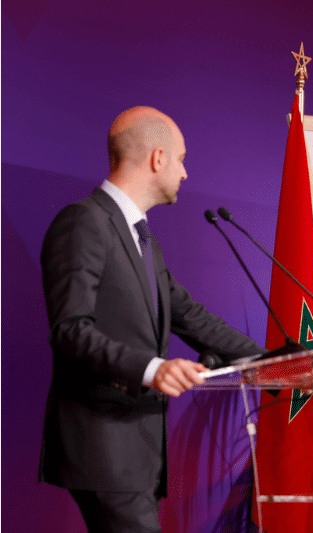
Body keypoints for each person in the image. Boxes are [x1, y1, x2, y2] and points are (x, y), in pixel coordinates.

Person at [38, 106, 266, 533]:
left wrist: (275, 359)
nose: (184, 173)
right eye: (181, 159)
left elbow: (190, 317)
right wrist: (153, 368)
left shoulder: (142, 239)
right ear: (158, 158)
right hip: (104, 445)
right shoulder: (84, 222)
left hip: (137, 452)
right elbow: (69, 329)